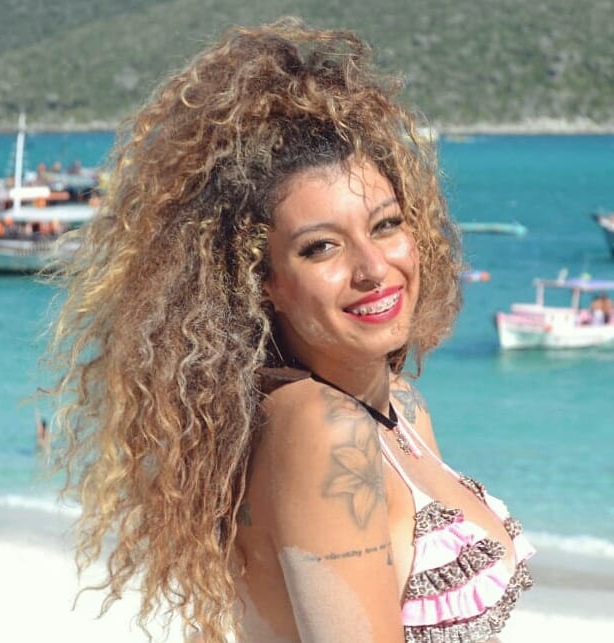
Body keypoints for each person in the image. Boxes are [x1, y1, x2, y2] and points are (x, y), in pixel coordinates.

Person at [48, 18, 535, 642]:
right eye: (321, 247)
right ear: (263, 282)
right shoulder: (322, 429)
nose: (373, 268)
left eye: (385, 225)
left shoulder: (401, 409)